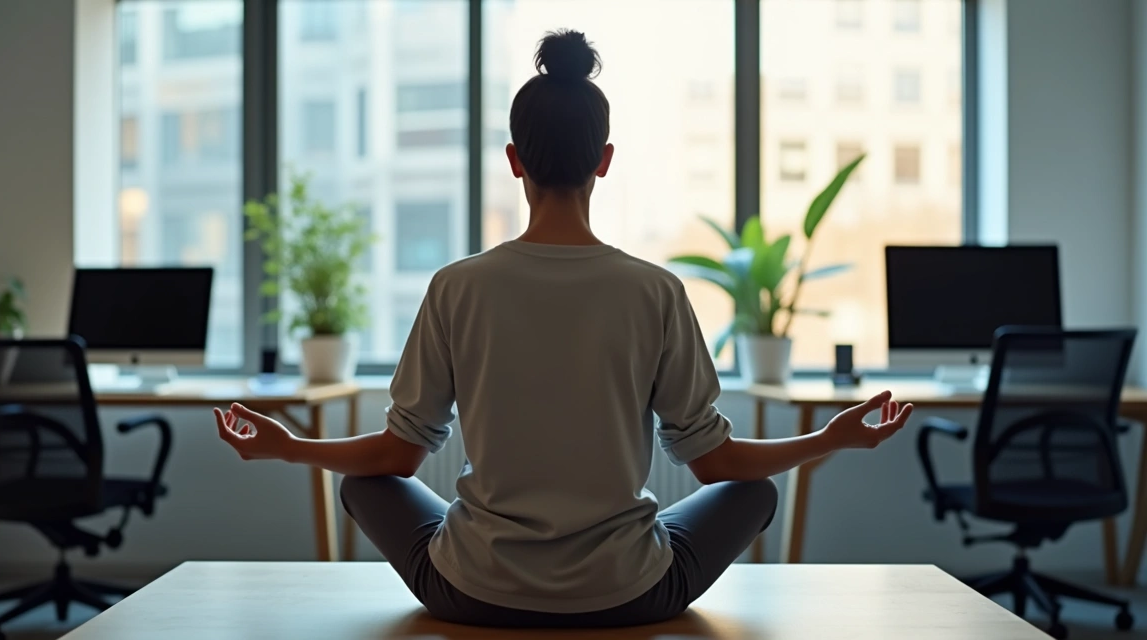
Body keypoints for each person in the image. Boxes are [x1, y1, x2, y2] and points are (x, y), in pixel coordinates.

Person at [213, 29, 913, 628]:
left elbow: (397, 458)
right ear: (603, 161)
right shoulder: (656, 291)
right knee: (755, 493)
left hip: (471, 592)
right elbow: (716, 465)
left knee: (360, 485)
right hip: (633, 595)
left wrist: (292, 447)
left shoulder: (456, 286)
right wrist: (831, 436)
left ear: (514, 161)